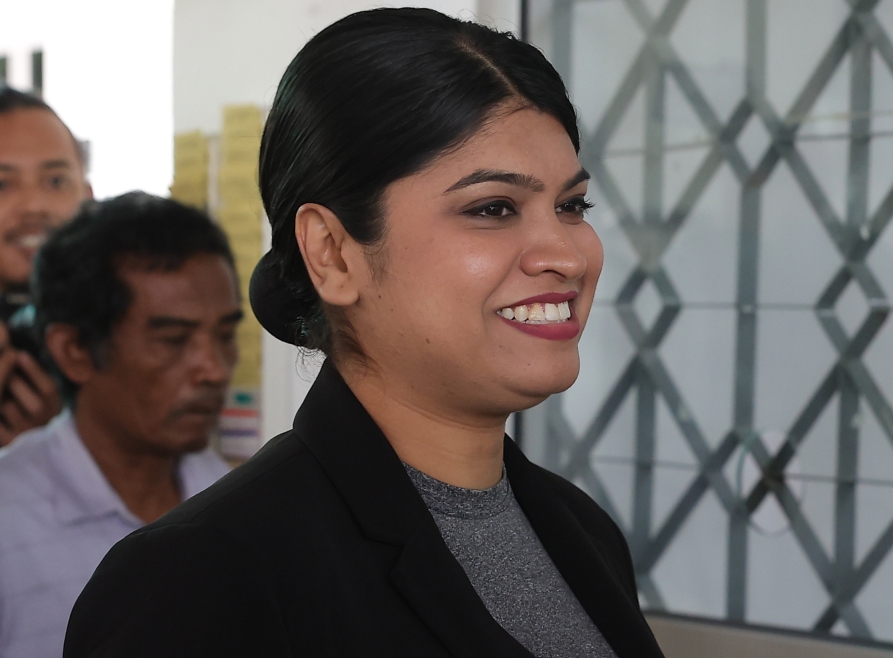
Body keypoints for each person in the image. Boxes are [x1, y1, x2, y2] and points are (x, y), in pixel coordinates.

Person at [65, 9, 665, 658]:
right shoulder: (201, 578)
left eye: (571, 206)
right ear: (333, 252)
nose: (567, 256)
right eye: (493, 208)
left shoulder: (584, 533)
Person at [0, 192, 237, 658]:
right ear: (74, 351)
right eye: (173, 340)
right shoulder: (9, 519)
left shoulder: (233, 499)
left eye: (225, 335)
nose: (213, 368)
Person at [0, 87, 92, 446]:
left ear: (86, 197)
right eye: (2, 184)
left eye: (55, 181)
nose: (34, 205)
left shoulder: (129, 333)